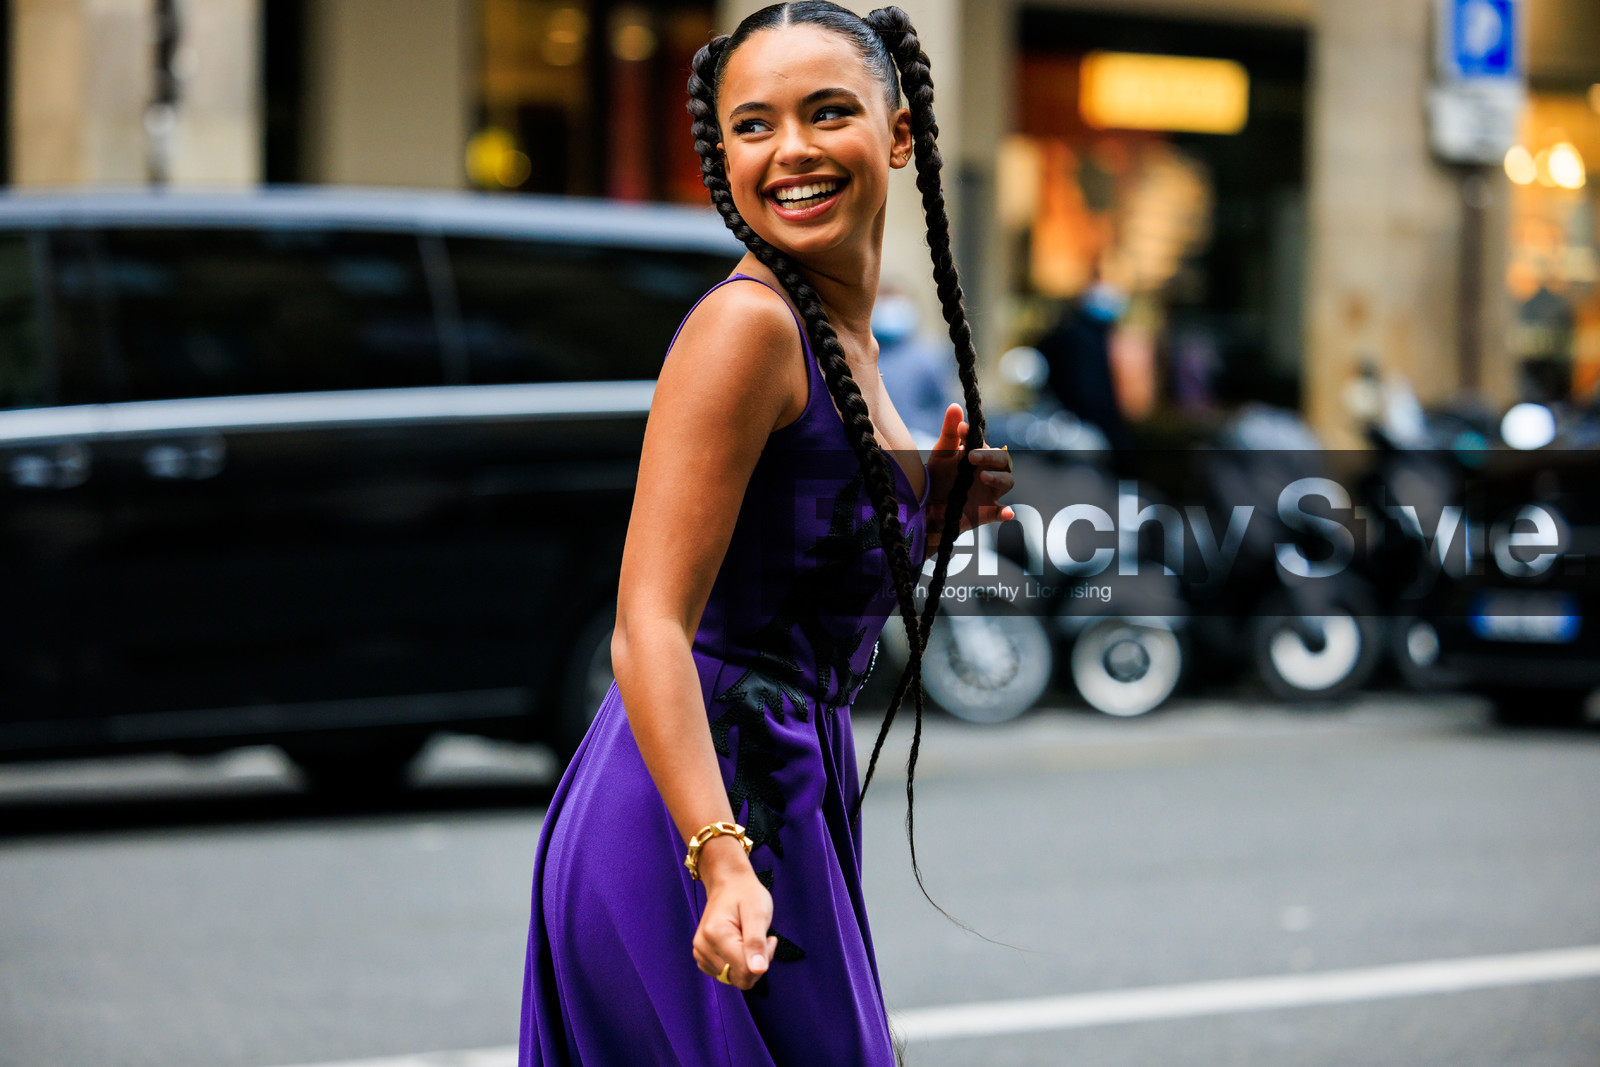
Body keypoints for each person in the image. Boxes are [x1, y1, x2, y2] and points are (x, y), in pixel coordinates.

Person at [517, 4, 1016, 1064]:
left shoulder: (840, 335)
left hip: (778, 793)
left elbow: (787, 587)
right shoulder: (747, 326)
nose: (788, 150)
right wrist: (718, 856)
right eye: (753, 125)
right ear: (723, 153)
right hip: (697, 819)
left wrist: (922, 514)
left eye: (825, 112)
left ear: (897, 132)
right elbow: (649, 625)